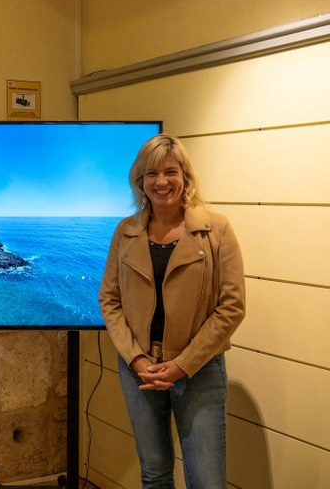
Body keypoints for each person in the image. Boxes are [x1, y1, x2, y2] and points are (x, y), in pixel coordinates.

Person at [98, 134, 245, 488]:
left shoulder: (216, 229)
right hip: (139, 370)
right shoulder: (125, 231)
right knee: (155, 473)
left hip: (199, 370)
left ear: (185, 177)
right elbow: (109, 300)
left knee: (207, 480)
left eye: (170, 172)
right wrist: (136, 358)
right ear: (141, 181)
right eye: (152, 173)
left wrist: (181, 365)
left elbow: (232, 307)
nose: (161, 182)